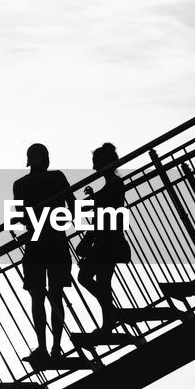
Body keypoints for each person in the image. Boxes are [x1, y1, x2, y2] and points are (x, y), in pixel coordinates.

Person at [13, 143, 74, 360]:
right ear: (46, 159)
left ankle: (42, 347)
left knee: (37, 297)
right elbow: (73, 208)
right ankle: (57, 347)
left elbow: (22, 216)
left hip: (35, 244)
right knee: (56, 296)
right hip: (57, 242)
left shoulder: (19, 185)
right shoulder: (58, 177)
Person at [77, 142, 131, 332]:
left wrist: (88, 239)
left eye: (95, 162)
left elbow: (104, 215)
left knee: (87, 278)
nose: (93, 167)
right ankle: (109, 319)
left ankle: (111, 316)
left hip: (107, 241)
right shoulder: (113, 184)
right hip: (108, 240)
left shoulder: (114, 184)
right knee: (101, 282)